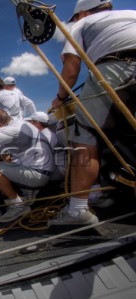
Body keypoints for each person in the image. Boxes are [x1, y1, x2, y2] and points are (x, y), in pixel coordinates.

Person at [49, 0, 136, 226]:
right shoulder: (131, 13)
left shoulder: (82, 23)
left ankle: (77, 210)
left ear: (84, 12)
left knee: (84, 137)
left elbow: (71, 70)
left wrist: (60, 99)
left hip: (117, 67)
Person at [25, 111, 67, 181]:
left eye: (30, 122)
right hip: (55, 168)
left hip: (57, 171)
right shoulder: (44, 134)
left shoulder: (46, 136)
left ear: (36, 123)